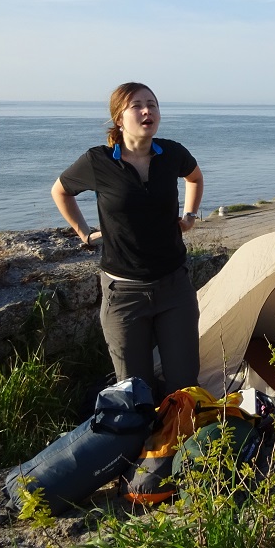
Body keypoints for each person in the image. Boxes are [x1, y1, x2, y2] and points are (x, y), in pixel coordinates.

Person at [51, 82, 204, 397]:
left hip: (174, 287)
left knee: (185, 387)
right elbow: (61, 191)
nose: (147, 111)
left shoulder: (172, 153)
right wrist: (83, 232)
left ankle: (180, 430)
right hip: (123, 294)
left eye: (152, 104)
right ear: (119, 118)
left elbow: (195, 178)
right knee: (134, 392)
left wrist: (189, 216)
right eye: (137, 105)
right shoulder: (98, 161)